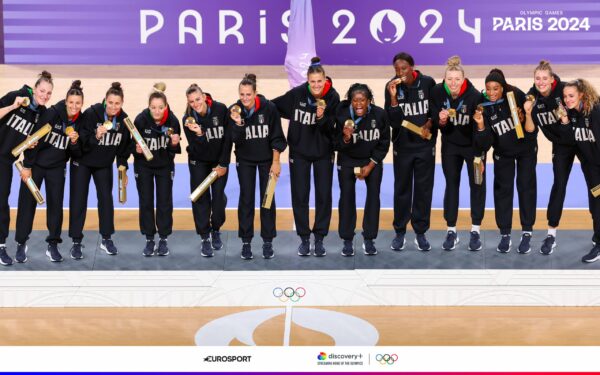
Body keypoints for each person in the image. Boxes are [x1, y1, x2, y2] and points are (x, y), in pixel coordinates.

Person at [273, 56, 340, 257]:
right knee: (300, 196)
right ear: (307, 80)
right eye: (313, 82)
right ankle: (304, 238)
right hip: (299, 153)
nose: (317, 85)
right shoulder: (297, 94)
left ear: (325, 79)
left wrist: (321, 117)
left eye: (320, 81)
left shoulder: (333, 97)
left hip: (323, 153)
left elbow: (332, 127)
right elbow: (273, 107)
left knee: (323, 196)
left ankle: (319, 239)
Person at [14, 80, 84, 262]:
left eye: (78, 103)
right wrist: (27, 166)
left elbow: (76, 153)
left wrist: (75, 142)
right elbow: (33, 141)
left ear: (81, 104)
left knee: (55, 206)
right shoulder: (52, 114)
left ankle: (53, 244)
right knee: (26, 204)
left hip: (57, 168)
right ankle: (21, 243)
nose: (74, 106)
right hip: (36, 165)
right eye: (71, 102)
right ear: (66, 101)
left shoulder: (80, 121)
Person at [474, 69, 537, 254]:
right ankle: (505, 234)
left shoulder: (514, 93)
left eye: (496, 88)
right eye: (488, 89)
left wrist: (525, 110)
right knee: (503, 192)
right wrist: (480, 125)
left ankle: (527, 232)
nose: (492, 93)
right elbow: (485, 141)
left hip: (525, 150)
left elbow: (531, 99)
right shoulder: (483, 106)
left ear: (503, 87)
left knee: (526, 188)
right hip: (503, 153)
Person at [68, 82, 131, 258]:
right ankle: (76, 242)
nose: (113, 106)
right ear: (105, 100)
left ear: (122, 103)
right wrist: (96, 136)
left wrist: (123, 169)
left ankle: (106, 238)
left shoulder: (124, 121)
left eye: (117, 103)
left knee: (106, 200)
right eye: (110, 102)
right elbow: (80, 141)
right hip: (82, 162)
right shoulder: (91, 113)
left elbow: (124, 148)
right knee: (78, 201)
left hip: (103, 164)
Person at [228, 74, 287, 260]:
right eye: (242, 94)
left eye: (248, 94)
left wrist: (276, 162)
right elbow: (233, 139)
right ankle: (246, 242)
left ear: (255, 93)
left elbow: (277, 136)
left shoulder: (269, 108)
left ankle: (267, 242)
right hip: (244, 162)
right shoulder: (234, 110)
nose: (245, 98)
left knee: (267, 200)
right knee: (246, 199)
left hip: (267, 162)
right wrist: (237, 124)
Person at [430, 56, 485, 251]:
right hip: (450, 147)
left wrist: (480, 156)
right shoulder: (437, 92)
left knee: (477, 185)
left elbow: (481, 127)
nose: (453, 83)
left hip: (473, 148)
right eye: (449, 79)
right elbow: (436, 123)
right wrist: (442, 121)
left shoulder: (475, 96)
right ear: (444, 79)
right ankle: (451, 230)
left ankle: (475, 230)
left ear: (464, 79)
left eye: (457, 79)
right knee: (451, 186)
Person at [0, 70, 53, 266]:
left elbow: (32, 144)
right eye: (42, 91)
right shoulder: (17, 97)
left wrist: (29, 151)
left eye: (48, 93)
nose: (44, 96)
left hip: (5, 160)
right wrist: (12, 106)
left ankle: (1, 246)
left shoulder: (42, 115)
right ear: (35, 88)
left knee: (1, 202)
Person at [385, 52, 436, 252]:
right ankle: (400, 232)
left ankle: (420, 232)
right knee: (402, 190)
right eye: (397, 69)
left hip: (424, 147)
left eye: (404, 69)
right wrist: (393, 98)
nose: (400, 73)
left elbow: (434, 110)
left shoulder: (428, 83)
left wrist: (429, 125)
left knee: (423, 190)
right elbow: (393, 122)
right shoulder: (391, 87)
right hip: (403, 148)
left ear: (412, 68)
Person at [334, 83, 390, 256]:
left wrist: (371, 164)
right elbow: (335, 144)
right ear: (350, 101)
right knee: (347, 198)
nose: (358, 104)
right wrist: (346, 137)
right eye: (355, 100)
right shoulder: (342, 114)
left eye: (362, 100)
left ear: (369, 101)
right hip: (347, 160)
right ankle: (347, 240)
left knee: (373, 197)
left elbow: (384, 142)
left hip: (371, 161)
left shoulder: (380, 114)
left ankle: (369, 239)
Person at [524, 60, 571, 255]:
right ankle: (551, 234)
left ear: (552, 80)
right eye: (538, 79)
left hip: (582, 141)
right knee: (559, 184)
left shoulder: (565, 90)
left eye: (545, 78)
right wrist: (527, 109)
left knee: (595, 186)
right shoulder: (532, 97)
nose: (541, 82)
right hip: (561, 145)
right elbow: (529, 128)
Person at [133, 83, 181, 257]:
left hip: (164, 167)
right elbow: (132, 144)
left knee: (164, 202)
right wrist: (136, 150)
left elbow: (173, 152)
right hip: (144, 167)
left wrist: (174, 144)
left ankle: (163, 239)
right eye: (153, 107)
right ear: (149, 107)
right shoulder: (140, 120)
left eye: (160, 107)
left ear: (166, 106)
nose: (157, 111)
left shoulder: (173, 122)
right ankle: (149, 239)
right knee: (145, 201)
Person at [183, 84, 231, 258]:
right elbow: (197, 150)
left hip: (218, 162)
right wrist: (199, 135)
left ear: (204, 96)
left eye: (197, 99)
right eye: (191, 101)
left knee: (218, 199)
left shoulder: (220, 109)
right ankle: (205, 237)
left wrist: (224, 164)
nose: (195, 104)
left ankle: (216, 229)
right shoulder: (188, 119)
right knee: (200, 198)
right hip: (199, 162)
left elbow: (228, 139)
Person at [561, 79, 600, 263]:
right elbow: (572, 140)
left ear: (581, 95)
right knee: (595, 205)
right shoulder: (572, 113)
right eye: (565, 96)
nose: (567, 100)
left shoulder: (595, 111)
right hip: (590, 167)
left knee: (598, 204)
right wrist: (565, 122)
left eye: (571, 96)